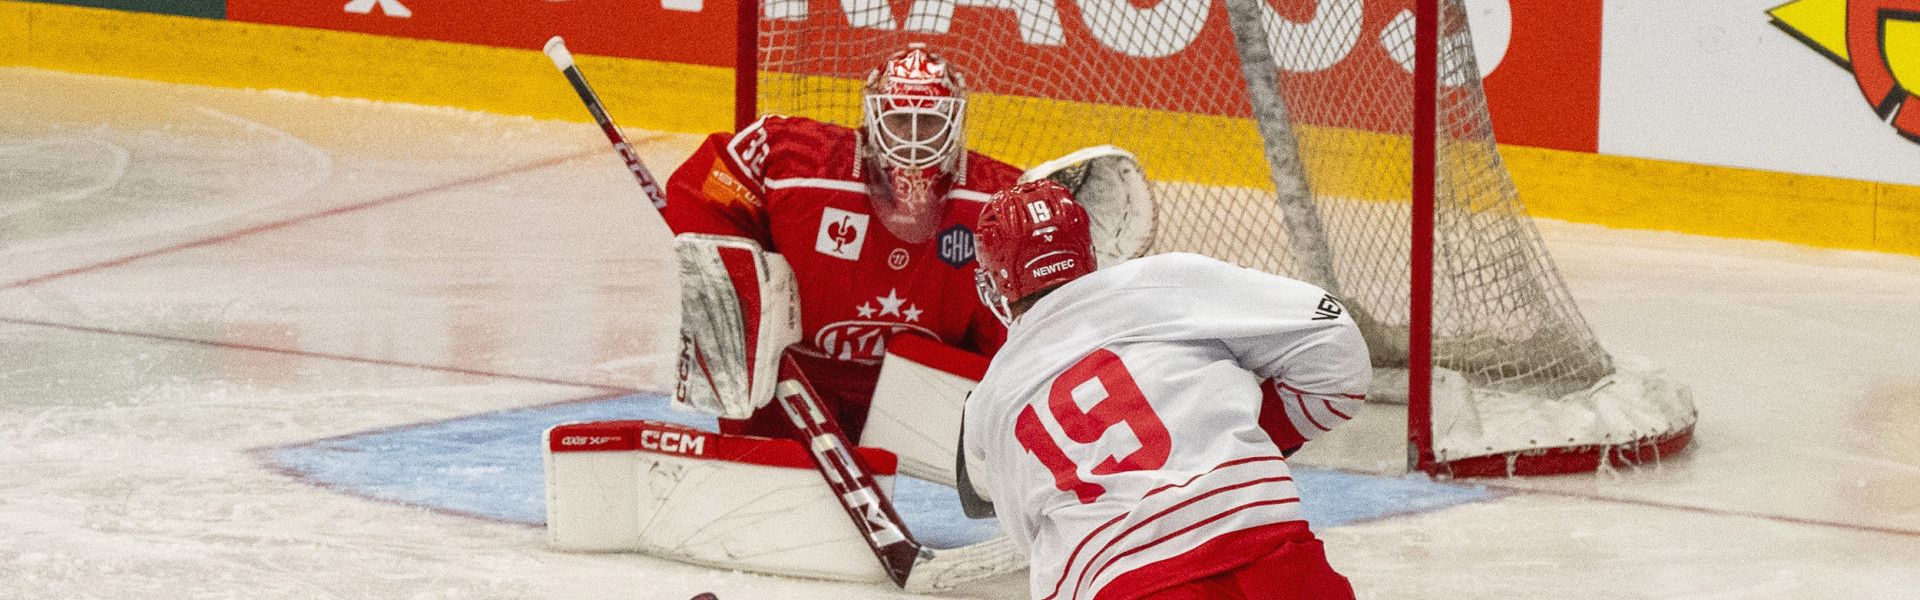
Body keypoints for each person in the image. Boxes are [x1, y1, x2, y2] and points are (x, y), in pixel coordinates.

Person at [958, 180, 1371, 600]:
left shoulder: (992, 398)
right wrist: (1247, 433)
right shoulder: (1164, 278)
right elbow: (1335, 340)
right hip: (1275, 556)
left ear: (996, 283)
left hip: (1127, 584)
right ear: (1088, 251)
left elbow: (1023, 531)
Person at [660, 43, 1023, 442]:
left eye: (931, 123)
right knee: (766, 479)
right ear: (873, 117)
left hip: (918, 390)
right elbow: (706, 185)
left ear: (955, 124)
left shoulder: (997, 199)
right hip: (798, 373)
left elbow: (1016, 319)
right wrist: (743, 282)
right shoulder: (802, 162)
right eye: (901, 120)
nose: (914, 139)